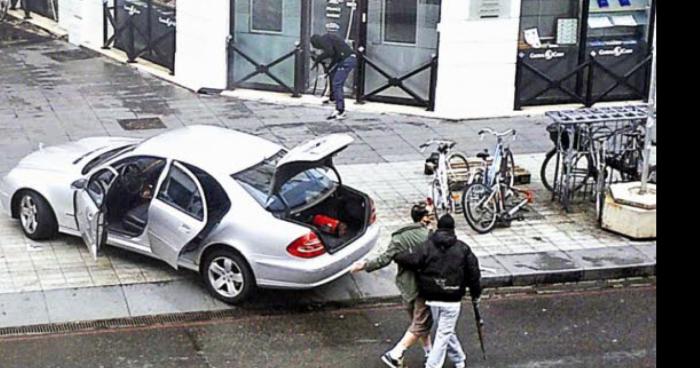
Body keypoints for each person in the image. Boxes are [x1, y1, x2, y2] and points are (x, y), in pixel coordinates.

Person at [350, 202, 435, 368]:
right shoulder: (428, 236)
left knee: (418, 323)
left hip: (406, 287)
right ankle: (395, 354)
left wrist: (364, 265)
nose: (433, 218)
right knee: (420, 324)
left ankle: (429, 353)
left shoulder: (399, 238)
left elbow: (383, 259)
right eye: (431, 215)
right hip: (423, 287)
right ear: (424, 219)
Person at [394, 214, 482, 368]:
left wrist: (396, 255)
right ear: (453, 229)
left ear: (438, 228)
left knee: (446, 330)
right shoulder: (463, 248)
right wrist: (476, 294)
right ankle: (433, 365)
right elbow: (473, 274)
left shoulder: (427, 246)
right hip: (453, 299)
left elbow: (411, 259)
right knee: (444, 333)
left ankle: (459, 359)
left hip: (432, 297)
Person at [310, 33, 357, 120]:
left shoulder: (325, 40)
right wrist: (328, 70)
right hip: (346, 59)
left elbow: (330, 52)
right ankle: (333, 98)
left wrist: (318, 59)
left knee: (337, 84)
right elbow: (335, 56)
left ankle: (340, 110)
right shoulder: (329, 39)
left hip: (347, 60)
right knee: (332, 74)